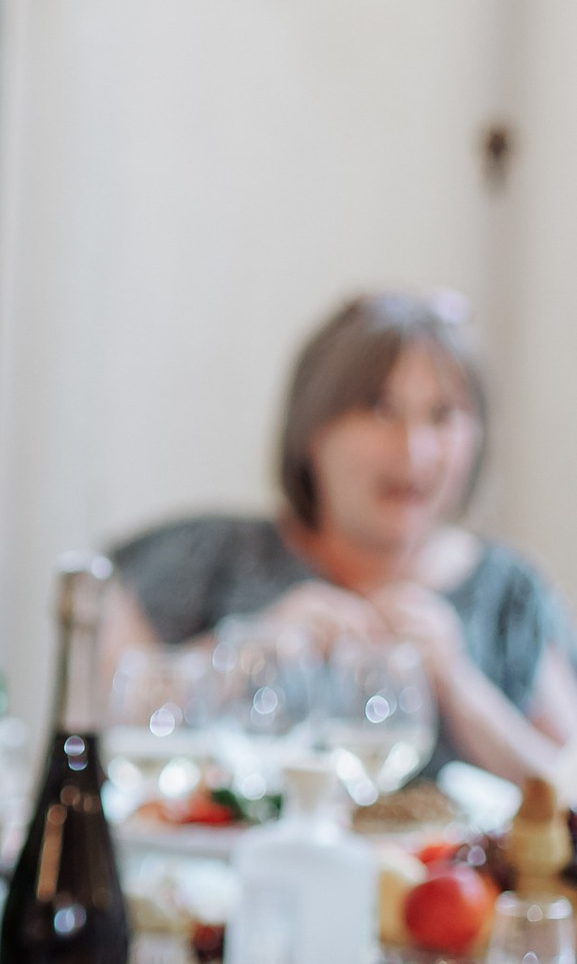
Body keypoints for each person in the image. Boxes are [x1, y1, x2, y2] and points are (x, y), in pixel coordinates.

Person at [105, 291, 577, 789]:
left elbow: (566, 793)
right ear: (312, 428)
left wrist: (460, 686)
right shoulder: (210, 558)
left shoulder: (508, 592)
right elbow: (98, 726)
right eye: (379, 409)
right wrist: (247, 652)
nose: (414, 449)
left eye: (442, 416)